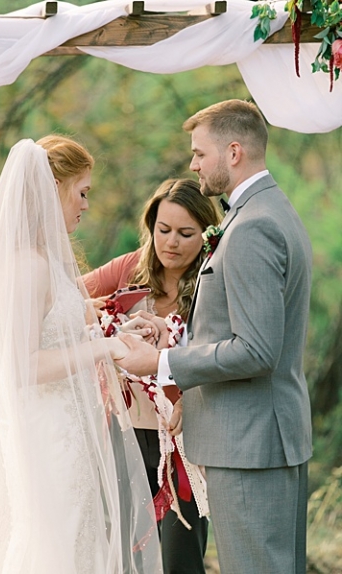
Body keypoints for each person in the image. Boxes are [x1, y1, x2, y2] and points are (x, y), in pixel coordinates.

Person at [117, 100, 313, 574]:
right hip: (261, 437)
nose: (193, 164)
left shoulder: (253, 227)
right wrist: (177, 342)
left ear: (233, 151)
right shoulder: (264, 210)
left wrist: (163, 364)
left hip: (250, 445)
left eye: (200, 153)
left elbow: (256, 350)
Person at [0, 135, 163, 573]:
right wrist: (103, 347)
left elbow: (63, 333)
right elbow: (21, 365)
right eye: (82, 191)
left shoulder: (48, 261)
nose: (86, 204)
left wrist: (120, 331)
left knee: (77, 540)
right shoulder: (27, 266)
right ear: (52, 187)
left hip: (72, 432)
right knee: (55, 546)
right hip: (47, 437)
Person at [83, 178, 220, 574]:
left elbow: (226, 353)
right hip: (122, 432)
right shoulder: (130, 267)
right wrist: (107, 317)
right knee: (125, 553)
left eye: (185, 233)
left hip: (183, 439)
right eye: (163, 230)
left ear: (206, 234)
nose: (171, 243)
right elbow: (63, 299)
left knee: (181, 557)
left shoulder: (214, 281)